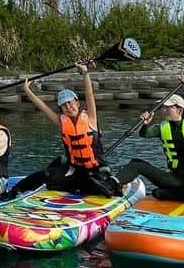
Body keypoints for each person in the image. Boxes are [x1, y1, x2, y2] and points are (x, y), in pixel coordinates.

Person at [7, 62, 119, 198]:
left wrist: (85, 73)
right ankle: (14, 193)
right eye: (64, 105)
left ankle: (110, 184)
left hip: (96, 171)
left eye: (70, 103)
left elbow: (89, 95)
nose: (68, 107)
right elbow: (43, 108)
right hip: (76, 171)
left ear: (77, 102)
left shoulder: (91, 118)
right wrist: (27, 91)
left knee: (95, 185)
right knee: (44, 175)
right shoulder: (62, 122)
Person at [113, 76, 184, 201]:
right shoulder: (162, 128)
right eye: (163, 107)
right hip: (176, 179)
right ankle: (112, 183)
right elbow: (144, 134)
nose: (164, 110)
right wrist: (145, 124)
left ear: (179, 110)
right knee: (136, 164)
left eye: (168, 107)